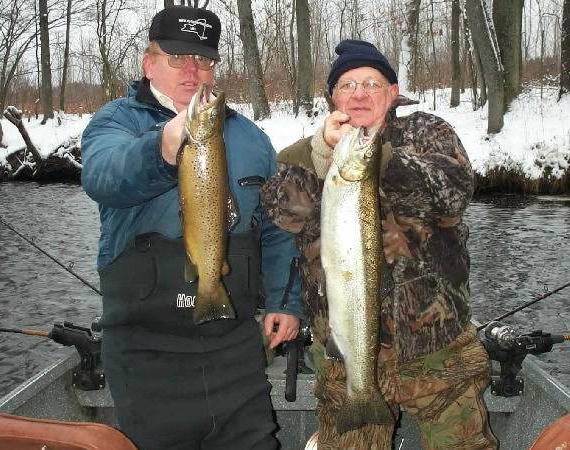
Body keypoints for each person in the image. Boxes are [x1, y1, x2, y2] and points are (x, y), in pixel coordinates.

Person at [80, 6, 303, 450]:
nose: (192, 70)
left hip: (234, 348)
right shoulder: (116, 122)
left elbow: (279, 226)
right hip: (147, 352)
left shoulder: (251, 137)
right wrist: (161, 147)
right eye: (177, 57)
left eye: (203, 60)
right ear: (150, 63)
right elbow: (103, 176)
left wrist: (284, 301)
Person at [261, 39, 498, 450]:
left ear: (392, 92)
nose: (359, 93)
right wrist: (320, 154)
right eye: (347, 85)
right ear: (332, 97)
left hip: (437, 346)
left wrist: (376, 155)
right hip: (344, 354)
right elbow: (284, 213)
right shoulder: (309, 153)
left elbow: (453, 192)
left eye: (372, 83)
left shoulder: (427, 132)